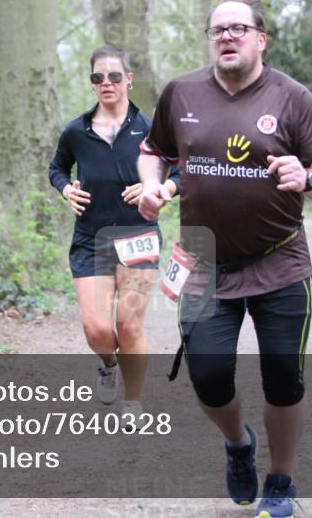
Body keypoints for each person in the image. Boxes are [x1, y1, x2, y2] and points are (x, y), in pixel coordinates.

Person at [137, 0, 312, 518]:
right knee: (208, 378)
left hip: (280, 263)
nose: (226, 37)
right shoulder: (181, 93)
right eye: (217, 30)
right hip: (203, 263)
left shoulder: (293, 98)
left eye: (238, 28)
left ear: (260, 38)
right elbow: (153, 152)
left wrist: (309, 177)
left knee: (283, 378)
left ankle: (281, 482)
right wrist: (153, 187)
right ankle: (238, 443)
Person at [49, 45, 179, 421]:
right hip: (91, 240)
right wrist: (66, 189)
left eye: (114, 76)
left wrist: (159, 188)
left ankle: (133, 402)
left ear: (128, 79)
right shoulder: (76, 131)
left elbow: (181, 170)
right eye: (98, 77)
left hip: (138, 235)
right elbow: (57, 168)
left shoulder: (152, 128)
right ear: (92, 83)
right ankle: (108, 363)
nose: (106, 83)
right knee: (97, 329)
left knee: (129, 324)